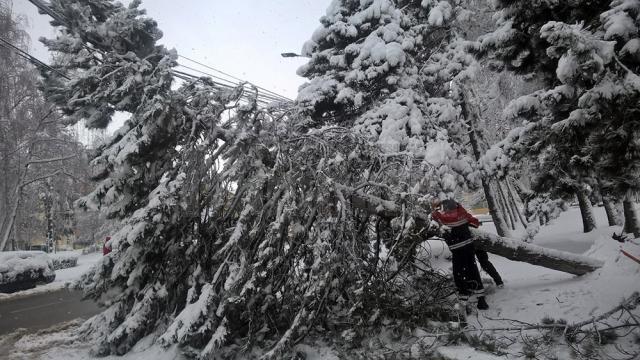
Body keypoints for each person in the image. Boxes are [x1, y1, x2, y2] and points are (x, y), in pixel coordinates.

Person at [431, 198, 489, 310]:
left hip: (457, 248)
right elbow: (475, 223)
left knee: (459, 273)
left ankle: (463, 299)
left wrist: (433, 212)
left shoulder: (442, 217)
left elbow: (434, 218)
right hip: (469, 246)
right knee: (473, 270)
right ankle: (481, 299)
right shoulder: (462, 213)